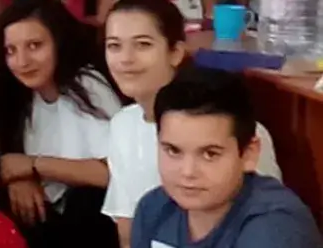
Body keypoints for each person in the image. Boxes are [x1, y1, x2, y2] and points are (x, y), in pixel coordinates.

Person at [103, 0, 281, 248]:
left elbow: (263, 219)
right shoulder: (121, 126)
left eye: (142, 45)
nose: (125, 59)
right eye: (114, 46)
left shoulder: (228, 129)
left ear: (175, 52)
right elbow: (128, 234)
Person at [0, 0, 122, 248]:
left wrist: (33, 166)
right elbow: (1, 159)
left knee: (85, 200)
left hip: (90, 222)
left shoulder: (87, 85)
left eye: (34, 46)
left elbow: (110, 173)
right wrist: (17, 178)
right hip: (44, 218)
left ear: (59, 42)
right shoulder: (11, 93)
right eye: (11, 51)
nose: (22, 62)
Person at [130, 69, 320, 248]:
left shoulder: (276, 227)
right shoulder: (153, 209)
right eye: (173, 151)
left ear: (249, 153)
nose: (188, 172)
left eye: (210, 154)